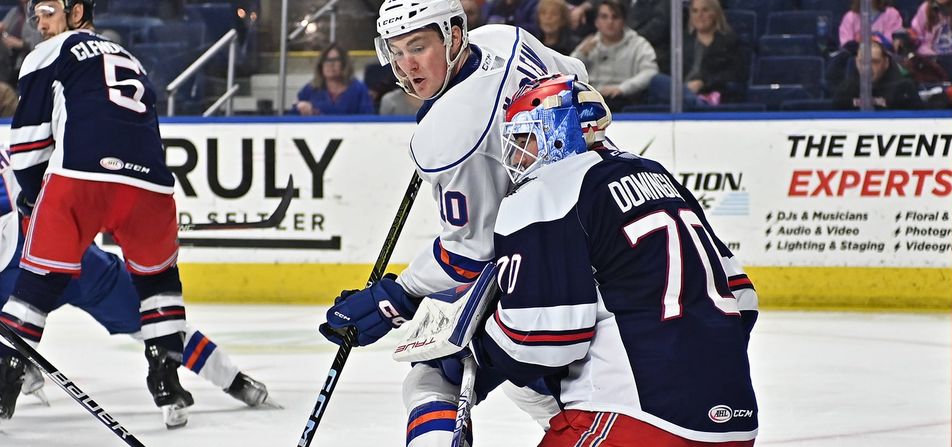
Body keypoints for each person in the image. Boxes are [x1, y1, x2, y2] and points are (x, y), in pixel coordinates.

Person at [320, 0, 588, 445]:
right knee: (534, 383)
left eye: (419, 47)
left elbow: (470, 255)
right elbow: (576, 76)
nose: (407, 66)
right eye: (396, 50)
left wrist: (395, 295)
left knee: (432, 378)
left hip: (553, 277)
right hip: (603, 228)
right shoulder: (505, 38)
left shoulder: (449, 133)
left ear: (455, 36)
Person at [470, 73, 759, 447]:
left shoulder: (549, 187)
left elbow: (541, 340)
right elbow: (743, 300)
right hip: (736, 421)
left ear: (560, 130)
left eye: (524, 138)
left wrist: (475, 345)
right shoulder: (658, 175)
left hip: (639, 420)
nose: (516, 155)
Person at [0, 96, 273, 433]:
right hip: (79, 261)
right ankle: (234, 381)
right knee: (153, 322)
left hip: (20, 279)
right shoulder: (27, 155)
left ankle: (14, 372)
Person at [0, 0, 219, 430]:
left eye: (47, 11)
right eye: (35, 16)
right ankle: (166, 379)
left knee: (40, 280)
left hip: (79, 178)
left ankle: (4, 382)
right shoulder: (129, 57)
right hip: (151, 184)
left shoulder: (48, 53)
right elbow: (144, 128)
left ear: (76, 10)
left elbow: (26, 143)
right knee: (159, 281)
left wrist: (31, 195)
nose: (39, 23)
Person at [571, 0, 657, 111]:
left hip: (626, 102)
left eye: (615, 17)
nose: (610, 22)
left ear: (623, 22)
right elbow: (568, 73)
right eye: (604, 17)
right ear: (596, 22)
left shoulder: (639, 44)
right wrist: (581, 54)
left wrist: (622, 88)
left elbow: (650, 72)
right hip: (593, 102)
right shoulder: (588, 44)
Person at [832, 39, 921, 110]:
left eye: (874, 62)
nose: (868, 68)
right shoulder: (845, 91)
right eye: (862, 62)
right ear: (856, 62)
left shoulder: (904, 90)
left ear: (886, 63)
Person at [291, 43, 375, 116]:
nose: (330, 64)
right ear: (321, 65)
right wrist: (300, 108)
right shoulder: (310, 89)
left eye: (335, 60)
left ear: (344, 63)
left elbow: (368, 120)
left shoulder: (358, 89)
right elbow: (292, 116)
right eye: (326, 60)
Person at [839, 0, 904, 48]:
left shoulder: (891, 13)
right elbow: (846, 44)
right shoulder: (850, 16)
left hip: (884, 58)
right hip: (856, 59)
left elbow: (892, 42)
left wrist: (874, 40)